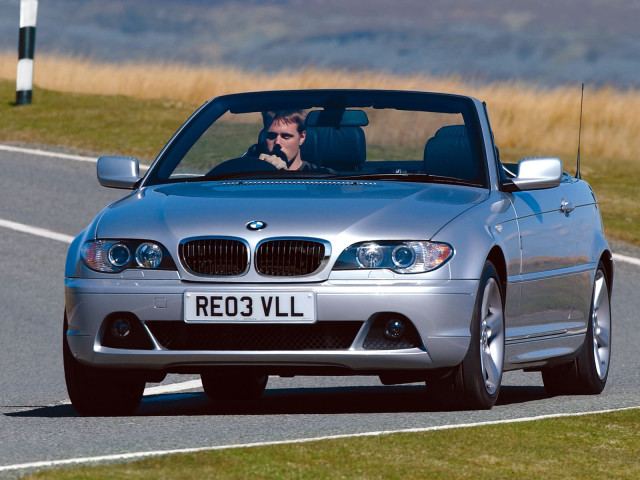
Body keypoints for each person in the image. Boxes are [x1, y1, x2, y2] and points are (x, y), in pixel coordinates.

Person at [250, 110, 321, 171]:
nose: (277, 142)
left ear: (302, 137)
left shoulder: (322, 178)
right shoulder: (251, 174)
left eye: (286, 136)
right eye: (272, 135)